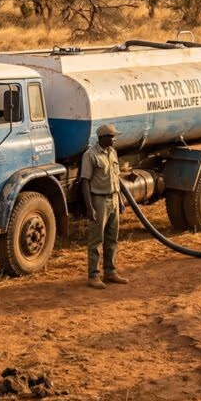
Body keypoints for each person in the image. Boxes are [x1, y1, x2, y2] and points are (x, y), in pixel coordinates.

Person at [80, 123, 128, 289]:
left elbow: (117, 178)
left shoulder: (112, 153)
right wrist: (89, 207)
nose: (114, 139)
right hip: (99, 200)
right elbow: (85, 182)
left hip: (114, 199)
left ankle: (110, 272)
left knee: (112, 239)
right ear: (103, 138)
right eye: (112, 136)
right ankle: (93, 275)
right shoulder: (90, 155)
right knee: (96, 240)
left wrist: (120, 201)